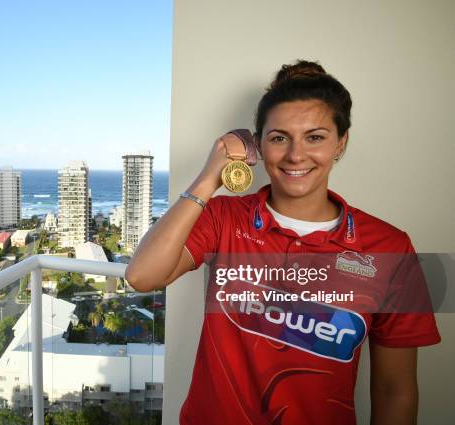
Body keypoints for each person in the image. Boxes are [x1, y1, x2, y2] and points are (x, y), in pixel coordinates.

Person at [125, 60, 441, 425]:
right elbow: (142, 276)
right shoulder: (224, 218)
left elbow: (394, 390)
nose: (295, 155)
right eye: (279, 138)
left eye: (315, 137)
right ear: (259, 145)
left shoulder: (390, 247)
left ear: (341, 142)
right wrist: (209, 178)